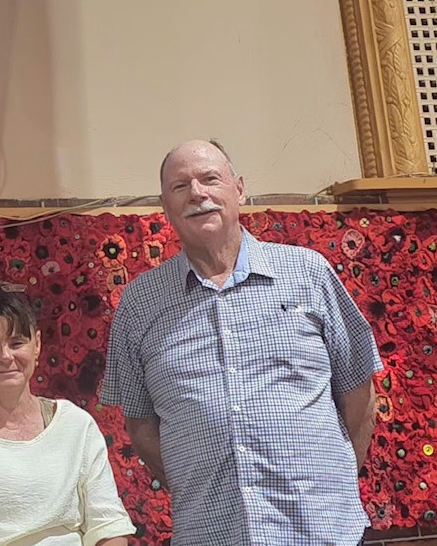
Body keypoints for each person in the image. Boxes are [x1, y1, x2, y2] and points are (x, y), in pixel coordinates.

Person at [100, 139, 381, 546]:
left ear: (239, 189)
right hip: (210, 533)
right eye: (180, 186)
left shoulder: (307, 273)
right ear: (165, 206)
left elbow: (358, 388)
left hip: (321, 529)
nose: (198, 193)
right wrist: (201, 483)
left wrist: (333, 478)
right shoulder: (140, 302)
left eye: (210, 179)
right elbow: (141, 426)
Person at [0, 277, 135, 546]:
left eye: (17, 342)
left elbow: (108, 527)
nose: (6, 356)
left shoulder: (76, 426)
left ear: (37, 344)